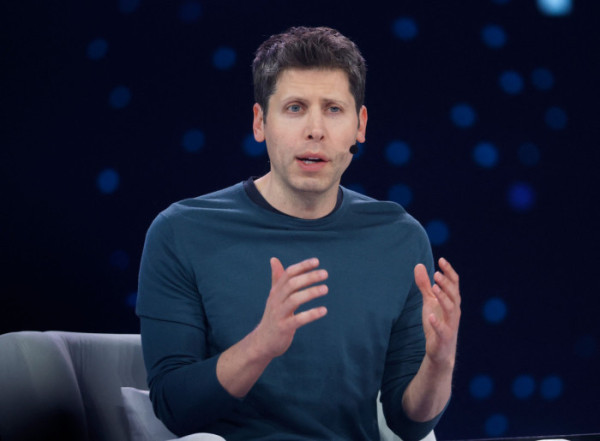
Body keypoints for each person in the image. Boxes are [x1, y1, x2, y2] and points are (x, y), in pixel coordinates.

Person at [137, 26, 461, 441]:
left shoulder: (399, 238)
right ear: (260, 122)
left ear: (360, 126)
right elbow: (174, 408)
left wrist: (440, 363)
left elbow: (408, 424)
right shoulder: (181, 232)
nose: (315, 130)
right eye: (294, 108)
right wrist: (261, 345)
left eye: (333, 109)